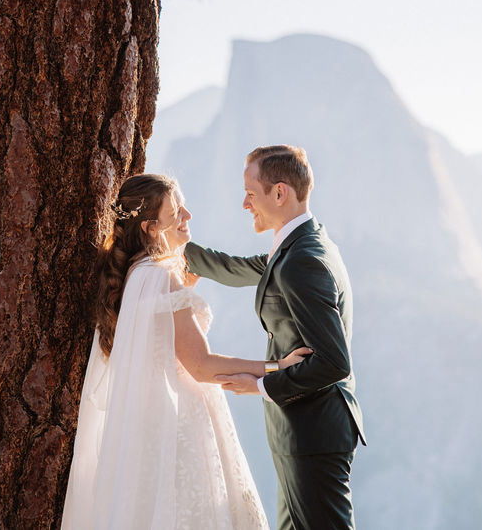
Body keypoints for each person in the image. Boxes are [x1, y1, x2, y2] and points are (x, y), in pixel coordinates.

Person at [61, 173, 311, 529]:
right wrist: (278, 366)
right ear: (150, 227)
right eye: (177, 211)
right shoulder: (161, 277)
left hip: (149, 426)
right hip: (181, 427)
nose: (188, 216)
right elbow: (202, 366)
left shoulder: (134, 275)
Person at [185, 145, 366, 530]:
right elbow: (239, 268)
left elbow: (334, 362)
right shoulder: (301, 244)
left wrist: (263, 385)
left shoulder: (302, 260)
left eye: (251, 193)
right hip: (302, 431)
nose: (245, 203)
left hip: (312, 433)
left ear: (279, 193)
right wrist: (173, 250)